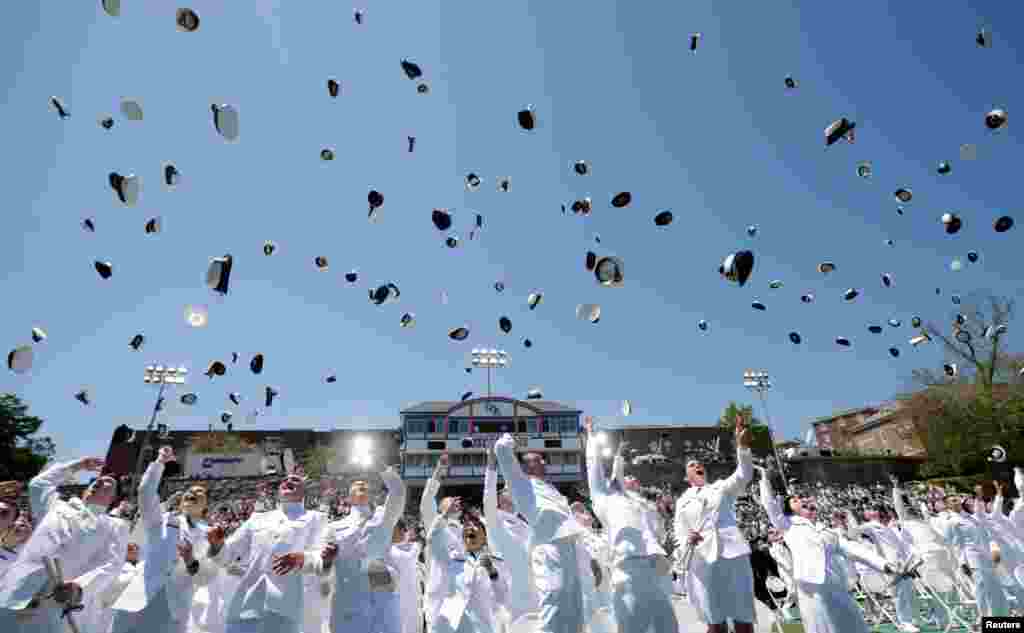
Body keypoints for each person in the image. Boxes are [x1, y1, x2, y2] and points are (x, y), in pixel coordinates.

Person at [0, 456, 130, 633]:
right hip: (19, 594)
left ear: (114, 498)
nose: (99, 481)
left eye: (108, 482)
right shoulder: (56, 506)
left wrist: (79, 587)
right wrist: (77, 466)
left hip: (60, 605)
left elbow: (112, 564)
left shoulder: (115, 526)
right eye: (96, 480)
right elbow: (38, 484)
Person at [759, 474, 897, 633]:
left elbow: (854, 549)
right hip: (811, 590)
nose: (802, 500)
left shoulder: (828, 532)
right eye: (795, 500)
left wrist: (884, 565)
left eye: (805, 501)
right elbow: (769, 505)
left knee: (853, 625)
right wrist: (764, 477)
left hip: (836, 585)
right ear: (789, 510)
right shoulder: (788, 525)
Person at [205, 470, 331, 633]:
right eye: (284, 480)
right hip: (245, 604)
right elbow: (226, 556)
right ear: (278, 491)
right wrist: (216, 544)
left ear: (304, 491)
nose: (288, 481)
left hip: (284, 607)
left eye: (295, 480)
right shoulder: (257, 518)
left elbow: (322, 556)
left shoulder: (316, 518)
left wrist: (302, 558)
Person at [584, 418, 677, 633]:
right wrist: (590, 434)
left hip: (652, 568)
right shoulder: (603, 499)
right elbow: (594, 466)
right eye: (613, 478)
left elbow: (656, 530)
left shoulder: (634, 502)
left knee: (668, 627)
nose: (617, 478)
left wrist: (620, 454)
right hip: (627, 570)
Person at [109, 447, 216, 633]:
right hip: (138, 598)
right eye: (189, 492)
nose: (192, 493)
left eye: (199, 493)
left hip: (174, 608)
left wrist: (191, 561)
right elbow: (145, 493)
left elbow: (207, 576)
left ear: (206, 506)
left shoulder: (209, 534)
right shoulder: (161, 520)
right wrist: (160, 463)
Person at [494, 433, 586, 633]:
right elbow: (501, 451)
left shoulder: (551, 488)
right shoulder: (521, 484)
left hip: (571, 545)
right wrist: (510, 439)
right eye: (538, 459)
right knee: (554, 598)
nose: (544, 462)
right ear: (526, 466)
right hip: (549, 545)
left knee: (574, 606)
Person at [673, 414, 755, 633]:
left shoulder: (721, 488)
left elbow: (744, 475)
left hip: (732, 554)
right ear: (686, 476)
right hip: (702, 560)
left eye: (699, 463)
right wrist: (687, 541)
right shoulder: (682, 502)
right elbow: (678, 534)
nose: (697, 465)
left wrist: (743, 448)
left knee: (743, 618)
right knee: (714, 620)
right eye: (692, 465)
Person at [320, 468, 406, 633]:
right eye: (356, 485)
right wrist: (327, 560)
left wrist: (382, 466)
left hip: (382, 605)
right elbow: (323, 571)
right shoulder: (334, 528)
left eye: (365, 485)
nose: (361, 485)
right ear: (348, 498)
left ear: (371, 496)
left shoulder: (383, 519)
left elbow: (398, 492)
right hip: (349, 606)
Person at [427, 502, 508, 633]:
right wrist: (444, 515)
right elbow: (432, 539)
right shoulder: (452, 558)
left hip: (483, 627)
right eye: (466, 528)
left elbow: (503, 596)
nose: (469, 529)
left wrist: (492, 571)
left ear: (485, 536)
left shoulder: (497, 562)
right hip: (453, 627)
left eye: (475, 527)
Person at [483, 446, 536, 631]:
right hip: (506, 596)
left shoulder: (528, 524)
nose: (512, 492)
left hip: (532, 593)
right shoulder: (494, 519)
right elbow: (487, 498)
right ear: (500, 497)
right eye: (507, 489)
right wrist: (491, 466)